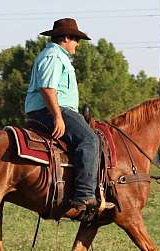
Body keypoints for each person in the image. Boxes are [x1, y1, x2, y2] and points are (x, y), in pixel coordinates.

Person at [25, 18, 107, 221]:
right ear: (66, 38)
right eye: (76, 39)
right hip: (49, 110)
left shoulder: (57, 56)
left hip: (53, 109)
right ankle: (84, 197)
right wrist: (58, 116)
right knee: (89, 141)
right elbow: (47, 88)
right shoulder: (53, 56)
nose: (77, 44)